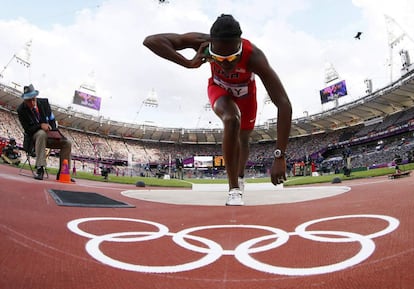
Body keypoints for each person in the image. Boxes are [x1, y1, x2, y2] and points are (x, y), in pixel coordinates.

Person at [143, 14, 292, 205]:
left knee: (244, 138)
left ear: (239, 46)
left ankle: (239, 176)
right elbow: (151, 41)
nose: (226, 64)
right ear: (211, 46)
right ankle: (234, 189)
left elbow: (284, 104)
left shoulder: (254, 56)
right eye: (219, 58)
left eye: (232, 58)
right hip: (219, 88)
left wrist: (280, 155)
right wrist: (188, 63)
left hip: (246, 94)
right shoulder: (202, 43)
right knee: (231, 120)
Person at [17, 84, 75, 182]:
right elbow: (27, 129)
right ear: (24, 100)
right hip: (35, 138)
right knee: (41, 133)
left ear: (36, 97)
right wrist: (40, 126)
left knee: (67, 143)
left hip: (50, 135)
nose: (31, 102)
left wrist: (54, 131)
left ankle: (63, 172)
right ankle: (40, 168)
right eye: (28, 100)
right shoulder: (21, 110)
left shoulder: (44, 103)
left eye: (33, 99)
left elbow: (52, 120)